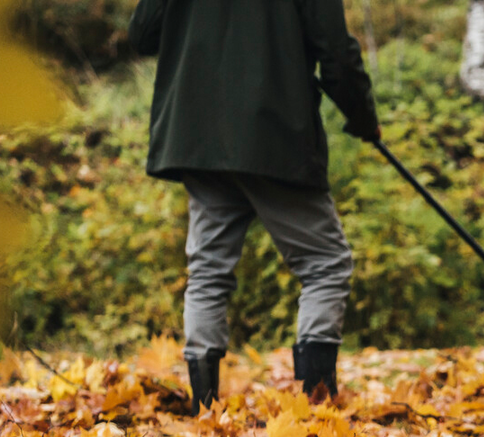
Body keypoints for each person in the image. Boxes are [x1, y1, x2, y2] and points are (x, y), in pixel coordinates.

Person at [128, 0, 381, 414]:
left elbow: (142, 34)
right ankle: (316, 406)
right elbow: (335, 53)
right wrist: (363, 116)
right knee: (325, 263)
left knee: (208, 268)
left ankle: (204, 409)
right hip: (275, 135)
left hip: (198, 135)